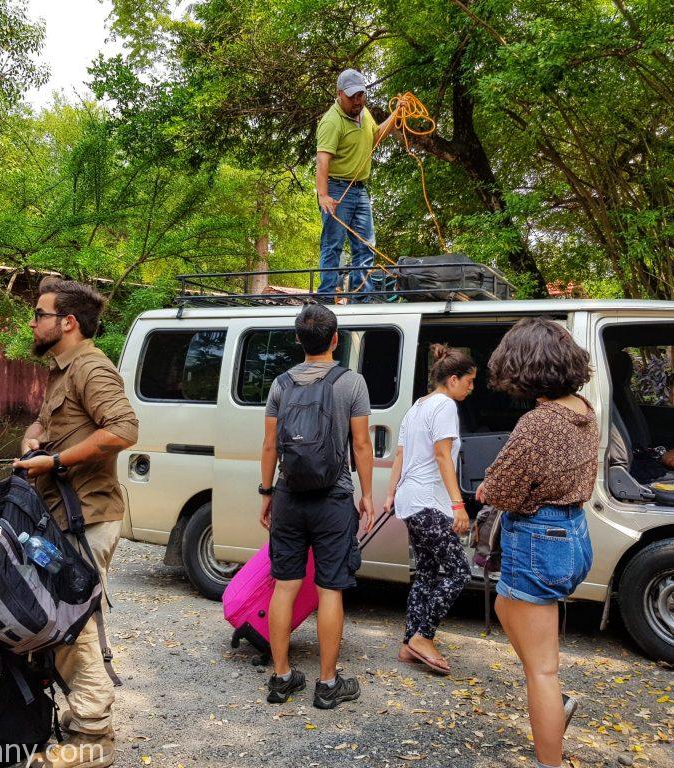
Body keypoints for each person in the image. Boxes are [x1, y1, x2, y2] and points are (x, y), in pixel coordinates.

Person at [14, 279, 139, 768]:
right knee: (62, 622)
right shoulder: (62, 371)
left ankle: (94, 737)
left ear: (67, 322)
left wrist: (58, 462)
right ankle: (80, 723)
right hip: (63, 519)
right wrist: (34, 439)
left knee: (73, 625)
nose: (33, 322)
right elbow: (52, 425)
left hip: (88, 517)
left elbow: (124, 428)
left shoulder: (91, 366)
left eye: (40, 314)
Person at [475, 317, 597, 768]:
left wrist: (489, 488)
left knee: (542, 671)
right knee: (507, 607)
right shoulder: (582, 408)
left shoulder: (537, 423)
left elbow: (502, 489)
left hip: (539, 539)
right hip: (574, 535)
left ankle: (551, 758)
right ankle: (550, 699)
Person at [259, 303, 374, 709]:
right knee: (329, 590)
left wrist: (266, 492)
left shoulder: (281, 384)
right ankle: (327, 685)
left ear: (297, 340)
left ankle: (281, 678)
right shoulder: (351, 383)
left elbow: (271, 445)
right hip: (333, 498)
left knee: (285, 586)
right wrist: (367, 494)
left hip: (289, 496)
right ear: (335, 339)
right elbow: (361, 444)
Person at [384, 344, 476, 676]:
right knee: (457, 572)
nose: (471, 387)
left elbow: (400, 454)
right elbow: (441, 456)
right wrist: (458, 504)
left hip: (411, 501)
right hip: (429, 502)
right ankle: (424, 636)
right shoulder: (445, 406)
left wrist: (391, 493)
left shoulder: (417, 406)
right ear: (453, 379)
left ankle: (410, 643)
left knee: (426, 572)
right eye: (469, 380)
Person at [315, 68, 400, 301]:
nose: (357, 100)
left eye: (361, 95)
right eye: (352, 96)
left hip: (360, 189)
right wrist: (323, 195)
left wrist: (396, 115)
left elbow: (376, 138)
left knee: (365, 244)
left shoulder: (364, 113)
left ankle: (361, 297)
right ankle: (325, 296)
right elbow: (322, 160)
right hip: (336, 189)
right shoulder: (331, 122)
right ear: (339, 94)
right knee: (333, 244)